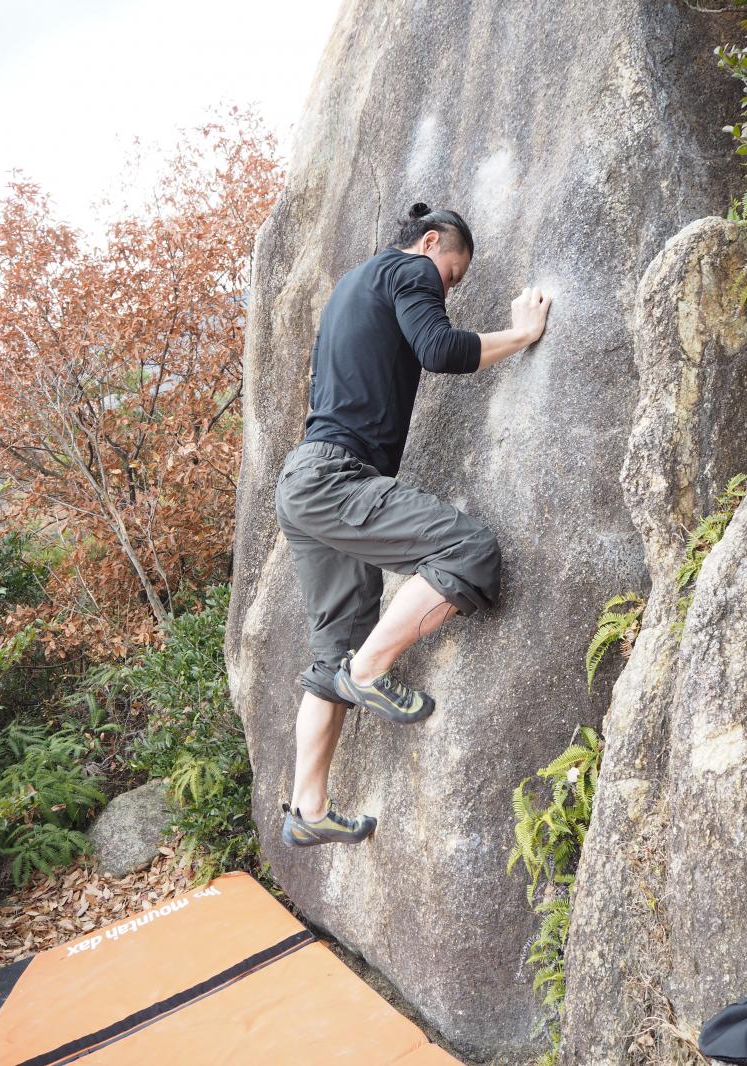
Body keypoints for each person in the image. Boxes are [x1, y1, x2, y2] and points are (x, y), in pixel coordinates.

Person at [274, 201, 551, 847]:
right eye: (453, 275)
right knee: (468, 548)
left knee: (330, 658)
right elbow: (439, 348)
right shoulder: (409, 269)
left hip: (304, 484)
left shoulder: (352, 285)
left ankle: (308, 811)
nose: (447, 287)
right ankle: (370, 672)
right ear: (431, 243)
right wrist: (522, 335)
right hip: (336, 478)